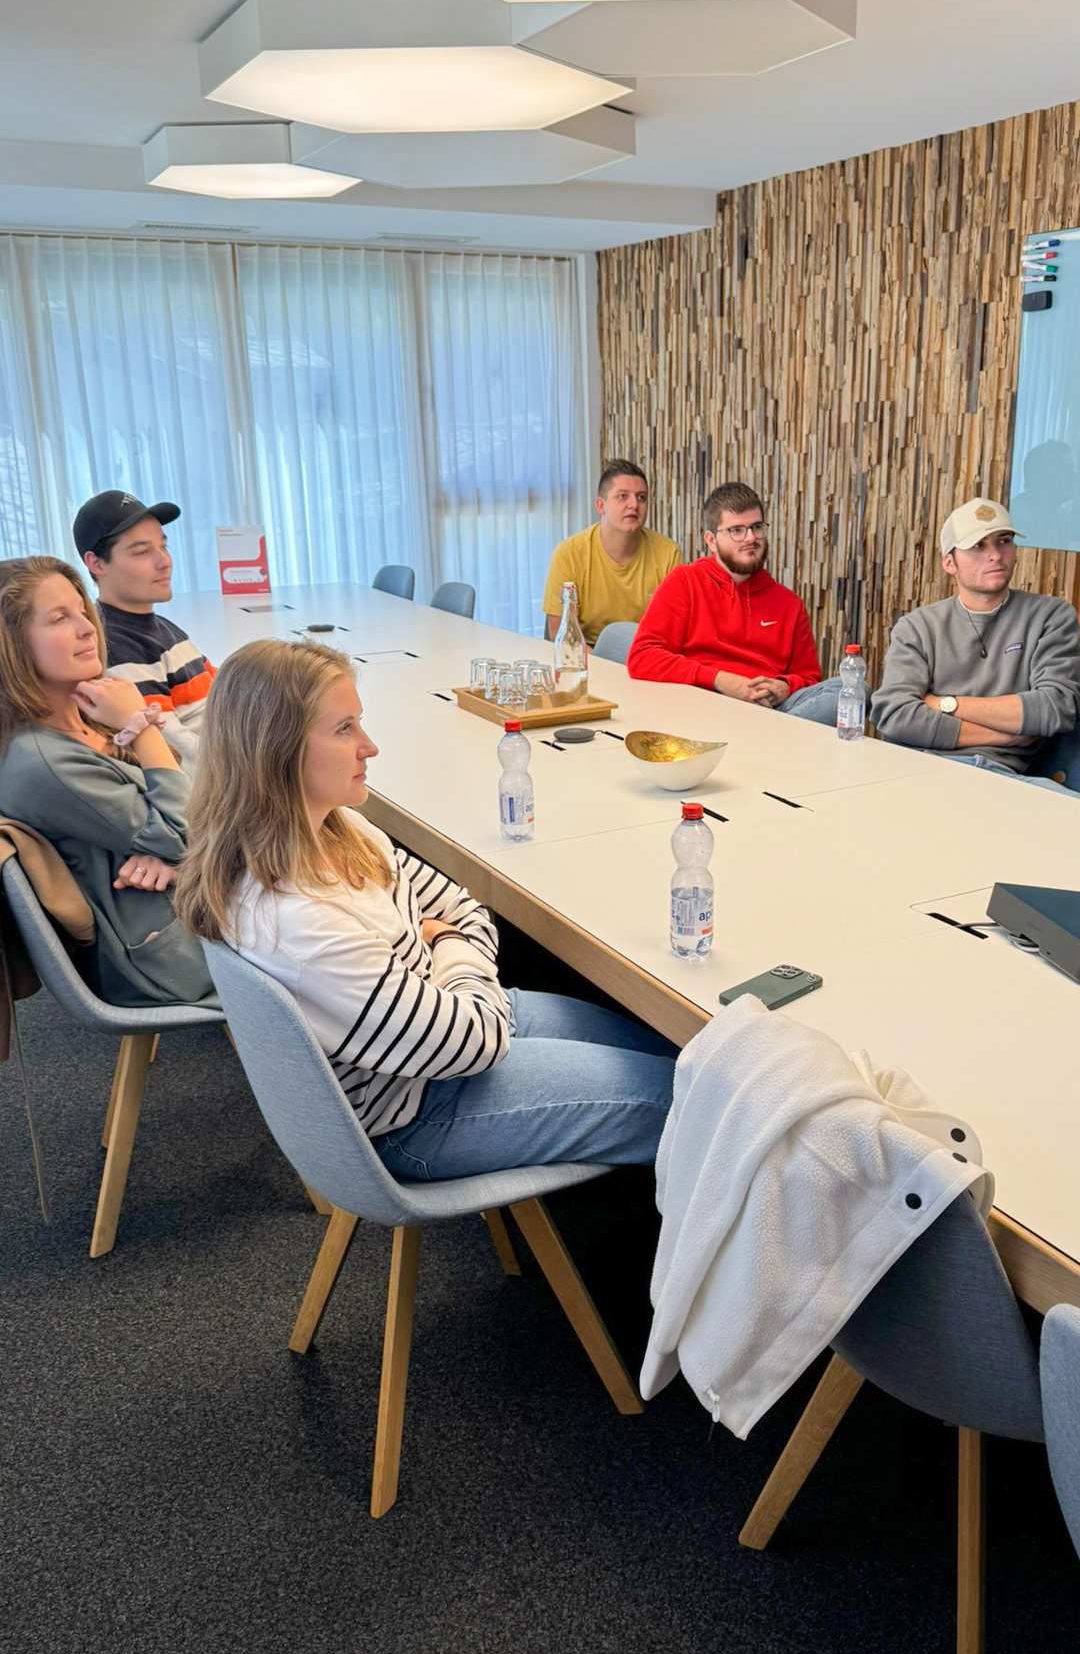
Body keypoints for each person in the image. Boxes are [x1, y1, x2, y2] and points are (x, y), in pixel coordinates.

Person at [174, 640, 675, 1181]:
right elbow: (475, 1042)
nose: (369, 747)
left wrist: (449, 967)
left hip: (441, 1026)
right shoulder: (296, 918)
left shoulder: (338, 828)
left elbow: (464, 908)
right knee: (693, 1107)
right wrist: (447, 944)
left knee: (682, 1066)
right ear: (276, 750)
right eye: (344, 729)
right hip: (418, 1111)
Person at [0, 557, 213, 1005]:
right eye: (60, 619)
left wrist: (175, 859)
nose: (88, 629)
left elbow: (188, 822)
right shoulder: (42, 762)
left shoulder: (89, 714)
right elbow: (187, 832)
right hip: (174, 952)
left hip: (192, 895)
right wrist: (143, 729)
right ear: (12, 646)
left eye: (83, 612)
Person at [871, 498, 1080, 786]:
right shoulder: (917, 627)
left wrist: (944, 704)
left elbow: (1056, 708)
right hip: (920, 769)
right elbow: (893, 713)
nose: (995, 555)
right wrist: (1005, 736)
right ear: (949, 563)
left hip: (1007, 779)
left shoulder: (1051, 616)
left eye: (1003, 541)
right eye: (978, 546)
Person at [627, 482, 841, 724]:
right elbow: (642, 657)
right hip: (703, 701)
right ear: (711, 540)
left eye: (757, 527)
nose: (751, 538)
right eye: (736, 530)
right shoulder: (685, 581)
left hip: (771, 709)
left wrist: (784, 686)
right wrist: (720, 680)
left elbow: (809, 679)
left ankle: (768, 731)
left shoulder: (790, 603)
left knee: (849, 690)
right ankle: (773, 734)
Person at [73, 489, 215, 765]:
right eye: (142, 552)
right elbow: (177, 755)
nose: (164, 562)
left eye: (164, 547)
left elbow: (222, 689)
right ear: (96, 563)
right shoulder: (112, 648)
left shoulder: (162, 627)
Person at [543, 460, 682, 646]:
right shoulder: (568, 554)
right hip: (588, 654)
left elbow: (675, 629)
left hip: (648, 651)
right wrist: (599, 662)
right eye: (623, 496)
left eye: (641, 497)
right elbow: (561, 633)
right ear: (601, 506)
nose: (634, 504)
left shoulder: (669, 554)